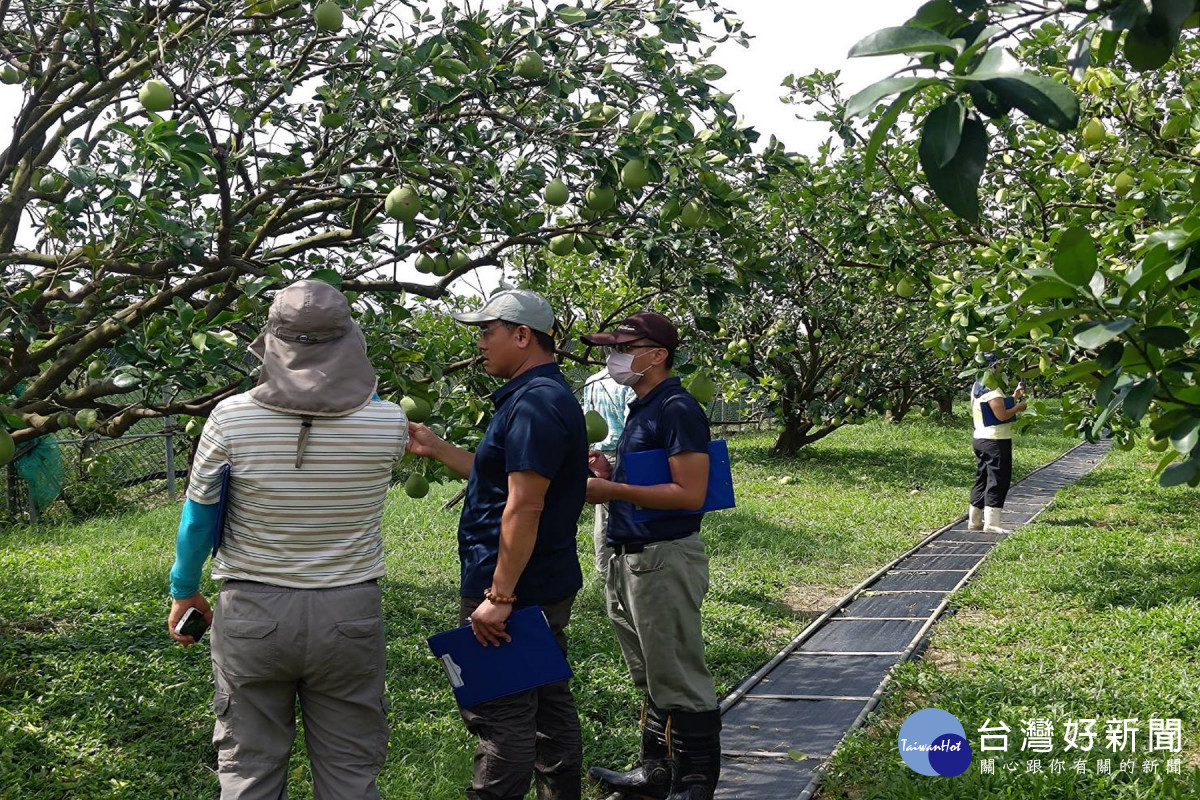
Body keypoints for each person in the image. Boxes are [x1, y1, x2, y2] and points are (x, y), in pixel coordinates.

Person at [166, 280, 409, 799]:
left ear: (271, 340)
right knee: (349, 770)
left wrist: (185, 589)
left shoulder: (231, 418)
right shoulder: (388, 422)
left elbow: (198, 519)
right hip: (350, 613)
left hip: (253, 612)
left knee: (249, 768)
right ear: (350, 339)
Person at [405, 288, 588, 800]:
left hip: (515, 590)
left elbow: (525, 505)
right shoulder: (540, 397)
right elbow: (504, 481)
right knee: (549, 706)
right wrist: (438, 449)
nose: (480, 343)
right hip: (541, 580)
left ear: (522, 335)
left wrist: (499, 595)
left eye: (487, 332)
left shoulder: (534, 405)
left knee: (502, 715)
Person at [581, 311, 721, 800]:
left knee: (679, 673)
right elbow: (649, 474)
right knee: (653, 671)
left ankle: (695, 783)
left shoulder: (677, 407)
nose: (613, 358)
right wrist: (610, 467)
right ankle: (655, 772)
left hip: (663, 556)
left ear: (656, 355)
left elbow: (690, 492)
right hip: (631, 555)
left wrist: (611, 488)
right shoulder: (643, 404)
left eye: (623, 348)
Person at [581, 366, 634, 575]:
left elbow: (588, 417)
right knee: (630, 506)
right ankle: (626, 565)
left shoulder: (592, 380)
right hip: (624, 450)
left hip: (598, 452)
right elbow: (632, 422)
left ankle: (604, 566)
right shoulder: (628, 380)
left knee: (603, 513)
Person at [969, 353, 1027, 534]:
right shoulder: (993, 390)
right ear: (992, 367)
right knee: (997, 480)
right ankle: (992, 523)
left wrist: (1013, 397)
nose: (1001, 368)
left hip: (980, 438)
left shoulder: (977, 386)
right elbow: (1001, 415)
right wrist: (1019, 407)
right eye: (999, 365)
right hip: (995, 441)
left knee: (983, 478)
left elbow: (994, 409)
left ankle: (975, 520)